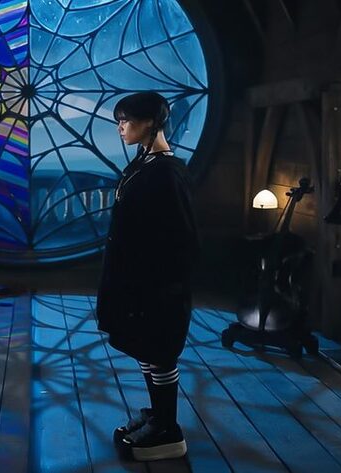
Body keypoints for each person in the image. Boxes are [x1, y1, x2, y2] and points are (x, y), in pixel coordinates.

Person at [96, 92, 199, 461]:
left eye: (127, 120)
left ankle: (168, 428)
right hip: (137, 280)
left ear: (151, 123)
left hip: (156, 284)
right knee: (144, 346)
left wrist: (162, 284)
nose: (121, 127)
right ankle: (158, 415)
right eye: (119, 120)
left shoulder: (166, 173)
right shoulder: (145, 164)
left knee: (160, 352)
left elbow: (182, 238)